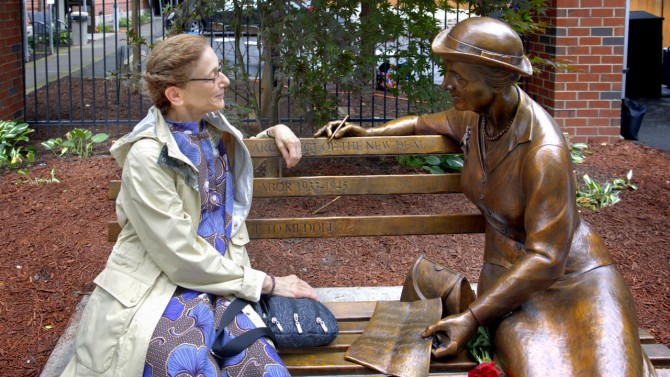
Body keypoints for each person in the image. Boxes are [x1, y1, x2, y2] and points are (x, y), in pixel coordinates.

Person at [315, 17, 656, 377]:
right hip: (509, 284)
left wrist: (472, 316)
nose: (447, 83)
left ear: (494, 80)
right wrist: (369, 132)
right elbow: (420, 124)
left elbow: (547, 257)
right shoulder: (475, 119)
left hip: (575, 278)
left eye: (457, 75)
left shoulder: (544, 152)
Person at [62, 33, 318, 377]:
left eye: (220, 70)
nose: (224, 80)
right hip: (164, 291)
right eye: (213, 75)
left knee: (264, 369)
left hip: (221, 286)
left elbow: (225, 176)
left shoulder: (211, 133)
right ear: (175, 93)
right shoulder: (146, 157)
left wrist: (276, 131)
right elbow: (180, 255)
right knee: (187, 366)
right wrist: (267, 283)